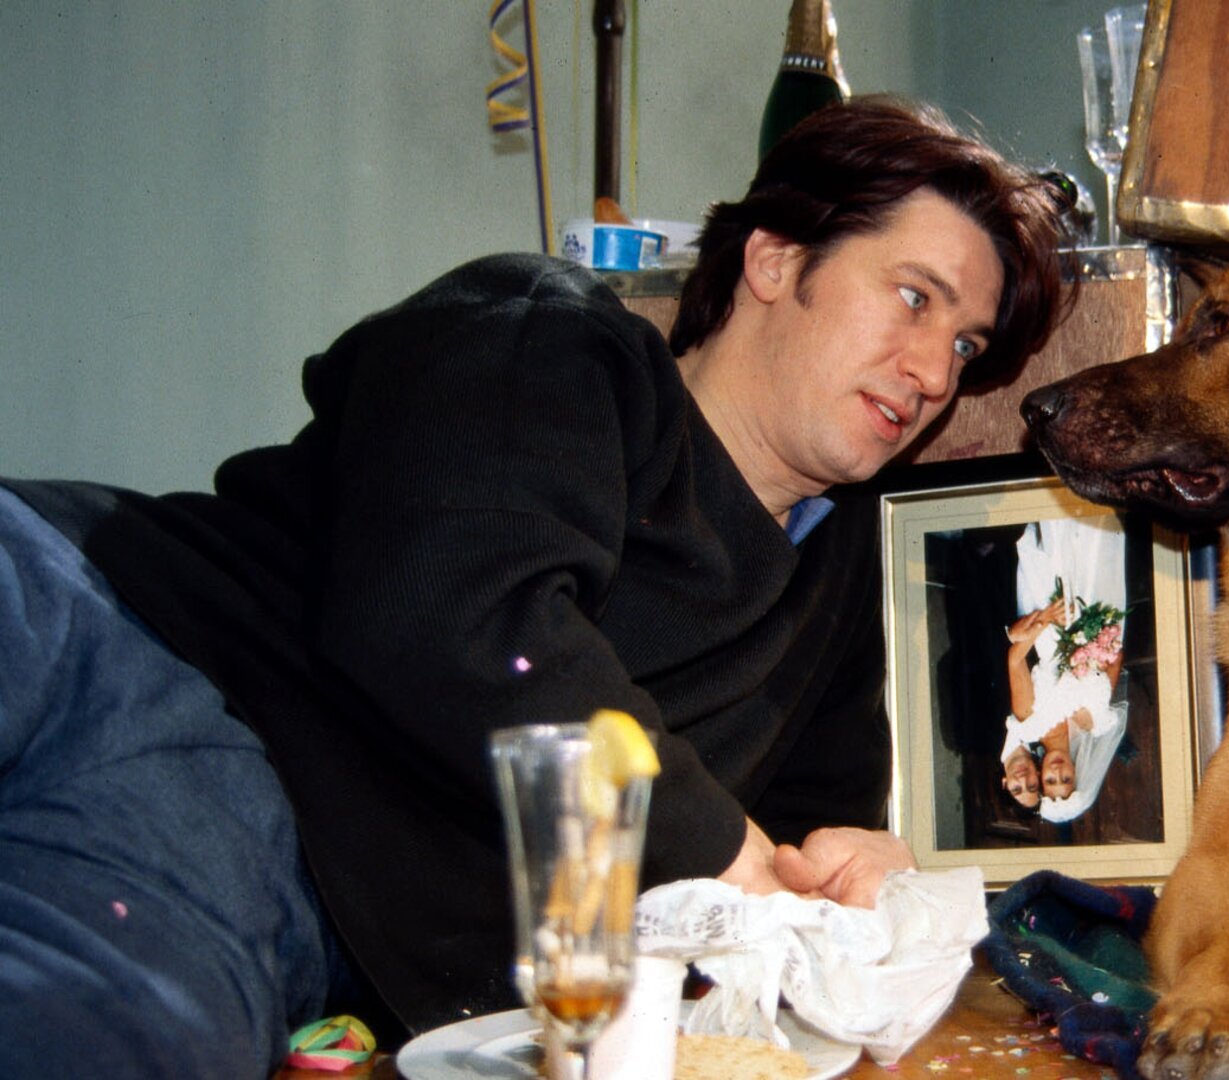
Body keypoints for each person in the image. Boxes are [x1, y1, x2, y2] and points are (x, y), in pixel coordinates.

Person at [0, 96, 1069, 1078]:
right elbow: (455, 620)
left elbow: (793, 854)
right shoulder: (555, 341)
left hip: (258, 852)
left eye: (964, 343)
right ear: (775, 260)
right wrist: (726, 851)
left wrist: (856, 870)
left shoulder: (836, 573)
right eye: (913, 297)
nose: (935, 372)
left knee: (96, 1035)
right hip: (103, 618)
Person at [997, 516, 1129, 823]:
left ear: (1041, 776)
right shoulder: (1094, 721)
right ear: (1076, 773)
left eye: (1050, 781)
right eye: (1066, 779)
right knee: (1097, 545)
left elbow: (1015, 660)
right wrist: (1096, 645)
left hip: (1051, 621)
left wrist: (1046, 620)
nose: (1057, 771)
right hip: (1096, 614)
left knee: (1059, 538)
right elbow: (1116, 658)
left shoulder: (1029, 723)